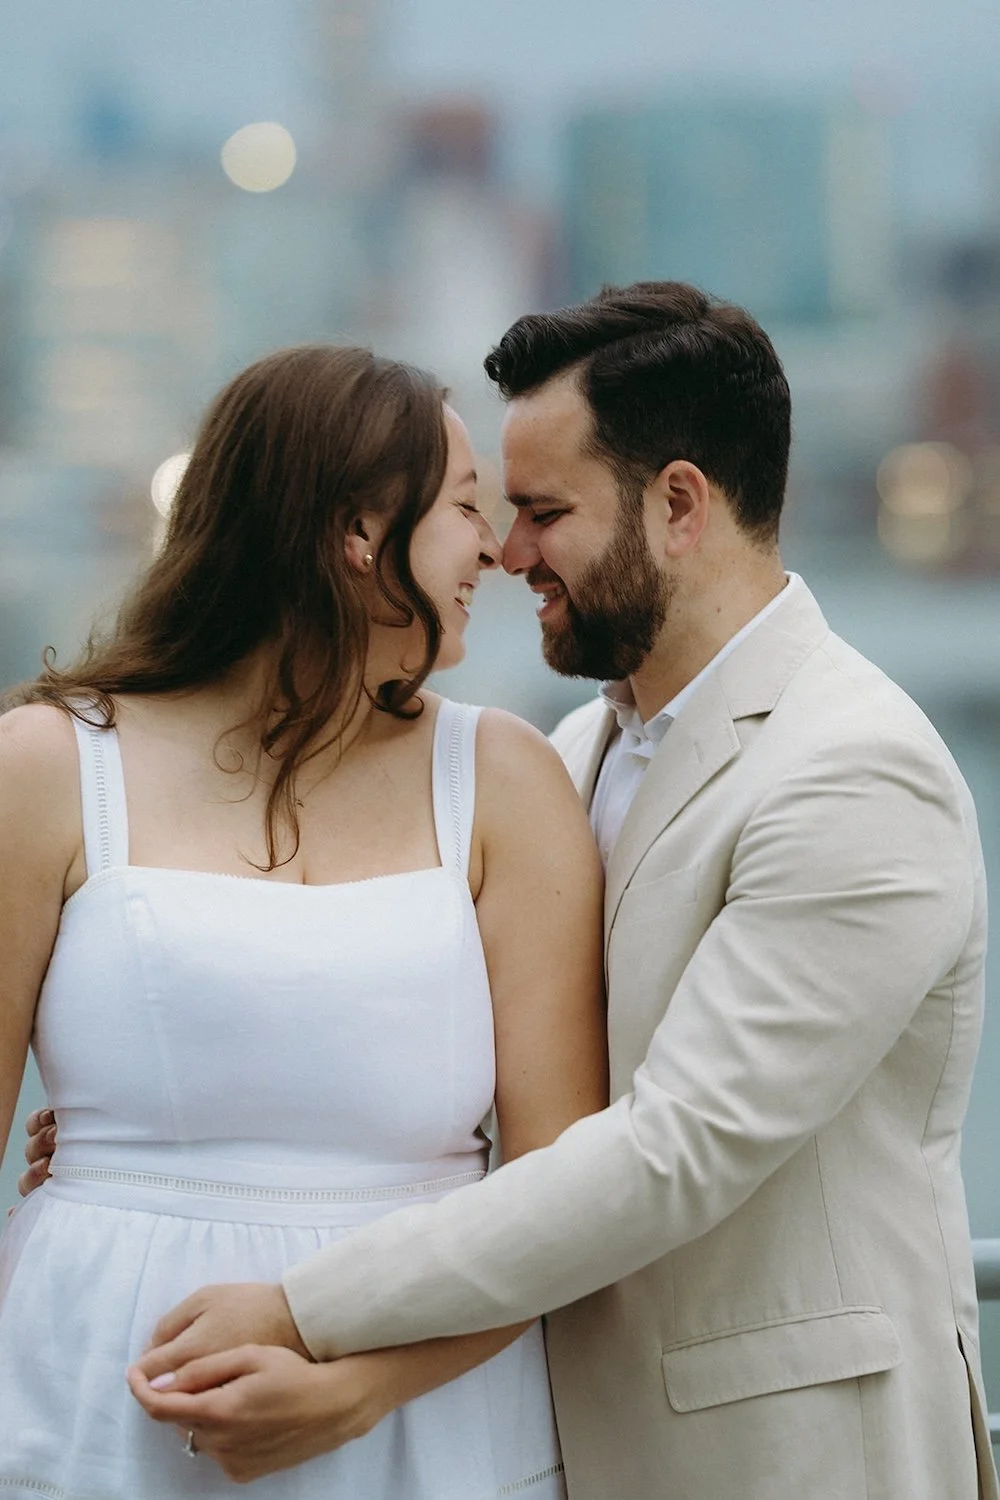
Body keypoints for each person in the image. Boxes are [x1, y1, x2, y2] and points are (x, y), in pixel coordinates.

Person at [102, 282, 998, 1500]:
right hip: (544, 1437)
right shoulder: (571, 754)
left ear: (678, 505)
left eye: (542, 512)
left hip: (783, 1458)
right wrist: (148, 1120)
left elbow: (676, 1149)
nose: (506, 551)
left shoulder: (852, 772)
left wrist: (310, 1309)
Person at [0, 344, 608, 1497]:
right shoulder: (46, 765)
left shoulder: (506, 779)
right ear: (354, 533)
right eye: (465, 510)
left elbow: (559, 1198)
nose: (493, 547)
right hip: (87, 1398)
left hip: (427, 1420)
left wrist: (353, 1387)